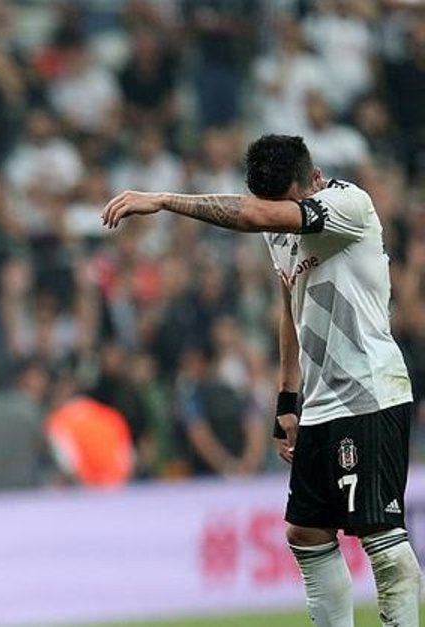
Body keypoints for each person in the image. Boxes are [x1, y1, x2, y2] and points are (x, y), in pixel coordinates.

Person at [102, 134, 421, 627]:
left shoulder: (349, 204)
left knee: (379, 536)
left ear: (313, 180)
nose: (276, 217)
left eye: (283, 205)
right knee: (306, 534)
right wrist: (288, 399)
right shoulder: (278, 229)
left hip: (370, 392)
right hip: (321, 403)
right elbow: (290, 308)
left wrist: (163, 200)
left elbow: (254, 216)